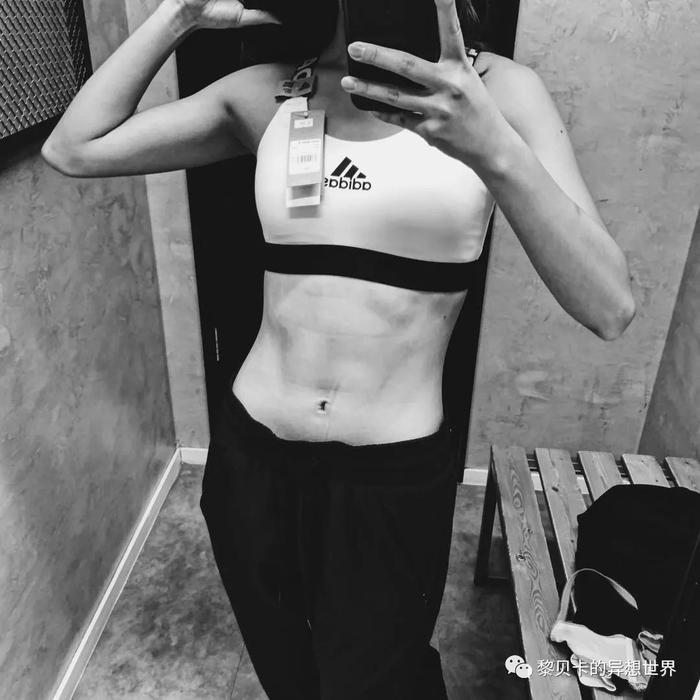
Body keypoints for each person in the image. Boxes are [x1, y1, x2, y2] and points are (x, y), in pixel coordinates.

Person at [42, 0, 637, 697]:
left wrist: (492, 148)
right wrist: (179, 17)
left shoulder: (497, 94)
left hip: (388, 476)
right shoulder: (273, 90)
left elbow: (609, 307)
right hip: (252, 462)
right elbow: (73, 148)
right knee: (288, 673)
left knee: (379, 680)